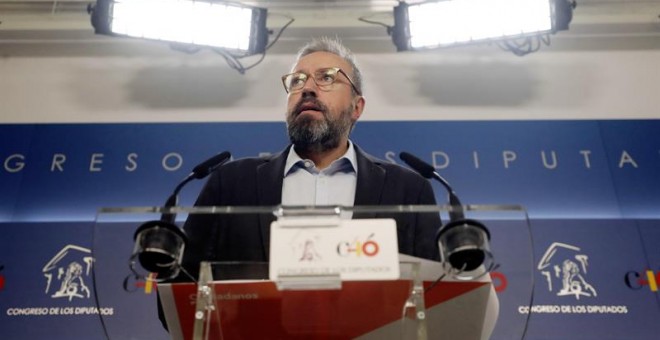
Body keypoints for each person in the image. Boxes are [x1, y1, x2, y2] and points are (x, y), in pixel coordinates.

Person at [178, 37, 441, 279]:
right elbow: (182, 288)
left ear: (356, 107)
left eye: (327, 78)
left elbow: (434, 295)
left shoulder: (409, 190)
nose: (308, 88)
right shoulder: (231, 183)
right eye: (297, 80)